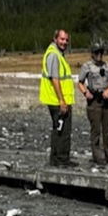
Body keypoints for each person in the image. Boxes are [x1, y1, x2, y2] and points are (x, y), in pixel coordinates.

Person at [77, 41, 108, 164]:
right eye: (97, 52)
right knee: (96, 130)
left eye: (101, 52)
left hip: (107, 101)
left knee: (107, 129)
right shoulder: (87, 66)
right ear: (92, 53)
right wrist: (85, 93)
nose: (99, 55)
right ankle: (97, 156)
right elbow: (80, 82)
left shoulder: (107, 65)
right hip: (94, 100)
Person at [39, 29, 75, 167]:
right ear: (55, 39)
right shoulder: (54, 55)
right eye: (62, 39)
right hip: (57, 100)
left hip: (55, 99)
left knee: (58, 129)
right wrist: (62, 101)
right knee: (63, 131)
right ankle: (61, 160)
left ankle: (55, 159)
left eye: (66, 39)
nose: (64, 42)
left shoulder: (56, 53)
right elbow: (55, 79)